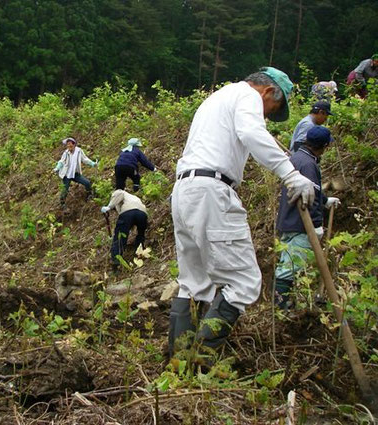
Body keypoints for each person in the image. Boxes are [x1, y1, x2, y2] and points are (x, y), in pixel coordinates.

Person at [168, 67, 315, 361]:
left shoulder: (218, 98)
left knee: (194, 282)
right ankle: (201, 360)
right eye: (272, 109)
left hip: (185, 190)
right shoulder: (248, 95)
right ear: (269, 92)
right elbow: (251, 133)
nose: (267, 116)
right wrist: (291, 175)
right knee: (244, 281)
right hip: (211, 190)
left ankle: (178, 362)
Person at [274, 126, 340, 308]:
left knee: (288, 264)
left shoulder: (296, 158)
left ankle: (286, 307)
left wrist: (325, 200)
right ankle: (282, 311)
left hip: (288, 220)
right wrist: (317, 224)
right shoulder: (309, 165)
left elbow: (311, 191)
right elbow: (309, 200)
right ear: (324, 146)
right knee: (289, 268)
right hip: (301, 224)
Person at [101, 189, 148, 271]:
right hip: (142, 214)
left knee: (119, 237)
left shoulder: (120, 192)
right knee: (141, 234)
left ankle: (116, 261)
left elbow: (118, 195)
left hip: (128, 213)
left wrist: (109, 206)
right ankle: (140, 252)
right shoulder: (134, 197)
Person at [53, 137, 97, 209]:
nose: (68, 146)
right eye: (67, 145)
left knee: (87, 183)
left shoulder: (79, 151)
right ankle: (62, 203)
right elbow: (61, 161)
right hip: (66, 174)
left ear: (74, 144)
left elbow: (84, 159)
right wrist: (57, 168)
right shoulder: (66, 153)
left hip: (75, 173)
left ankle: (90, 195)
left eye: (70, 144)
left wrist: (92, 163)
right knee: (65, 189)